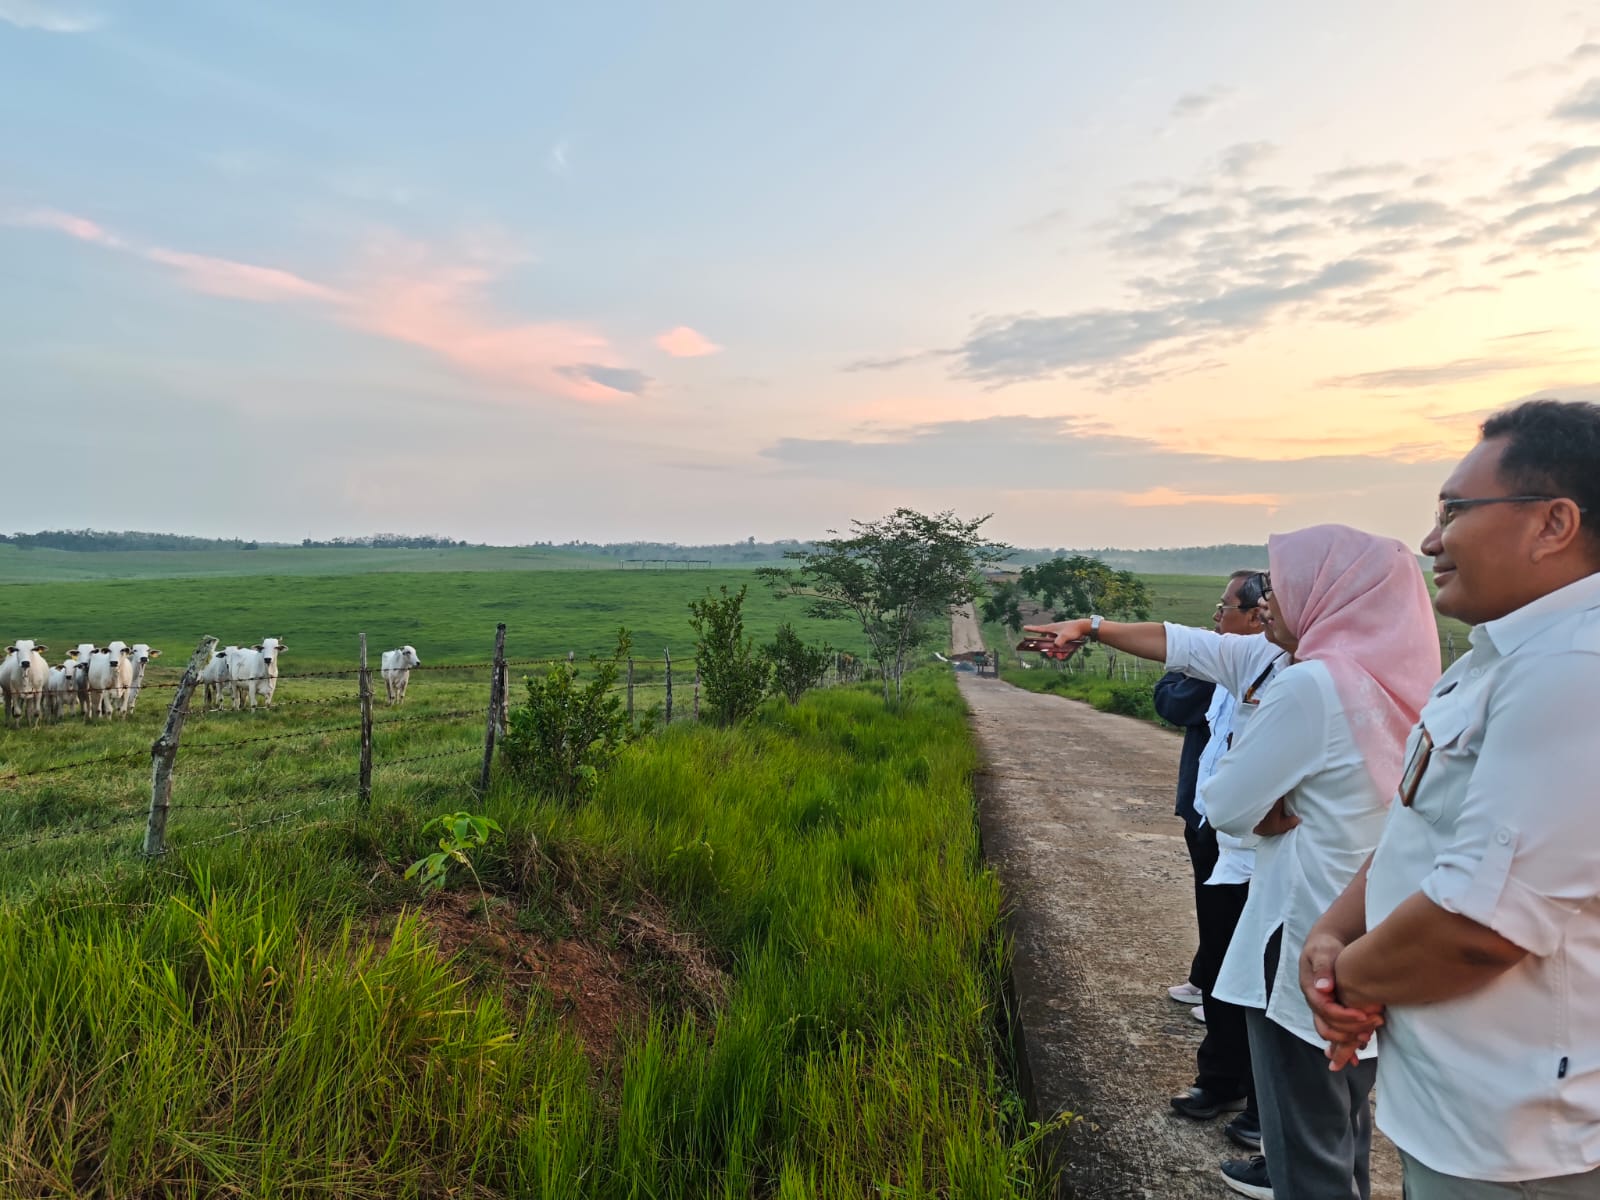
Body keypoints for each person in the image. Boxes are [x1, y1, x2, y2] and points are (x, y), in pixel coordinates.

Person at [1027, 524, 1439, 1200]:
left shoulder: (1312, 684)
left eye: (1282, 587)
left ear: (1330, 593)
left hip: (1301, 931)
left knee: (1305, 1150)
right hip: (1368, 924)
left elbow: (1222, 801)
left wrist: (1253, 794)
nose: (1268, 601)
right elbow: (1192, 645)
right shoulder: (1398, 679)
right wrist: (1093, 626)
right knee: (1343, 1133)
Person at [1301, 399, 1600, 1197]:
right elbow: (1419, 828)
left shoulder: (1575, 668)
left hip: (1524, 1134)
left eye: (1454, 510)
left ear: (1554, 523)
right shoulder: (1499, 658)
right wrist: (1334, 934)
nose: (1432, 539)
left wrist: (1346, 983)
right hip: (1460, 1102)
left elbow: (1479, 928)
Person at [1158, 571, 1269, 1153]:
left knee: (1261, 975)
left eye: (1226, 607)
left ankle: (1262, 1100)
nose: (1217, 615)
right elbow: (1171, 696)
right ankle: (1220, 1079)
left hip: (1264, 850)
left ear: (1260, 615)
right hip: (1215, 833)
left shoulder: (1287, 668)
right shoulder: (1230, 667)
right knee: (1222, 963)